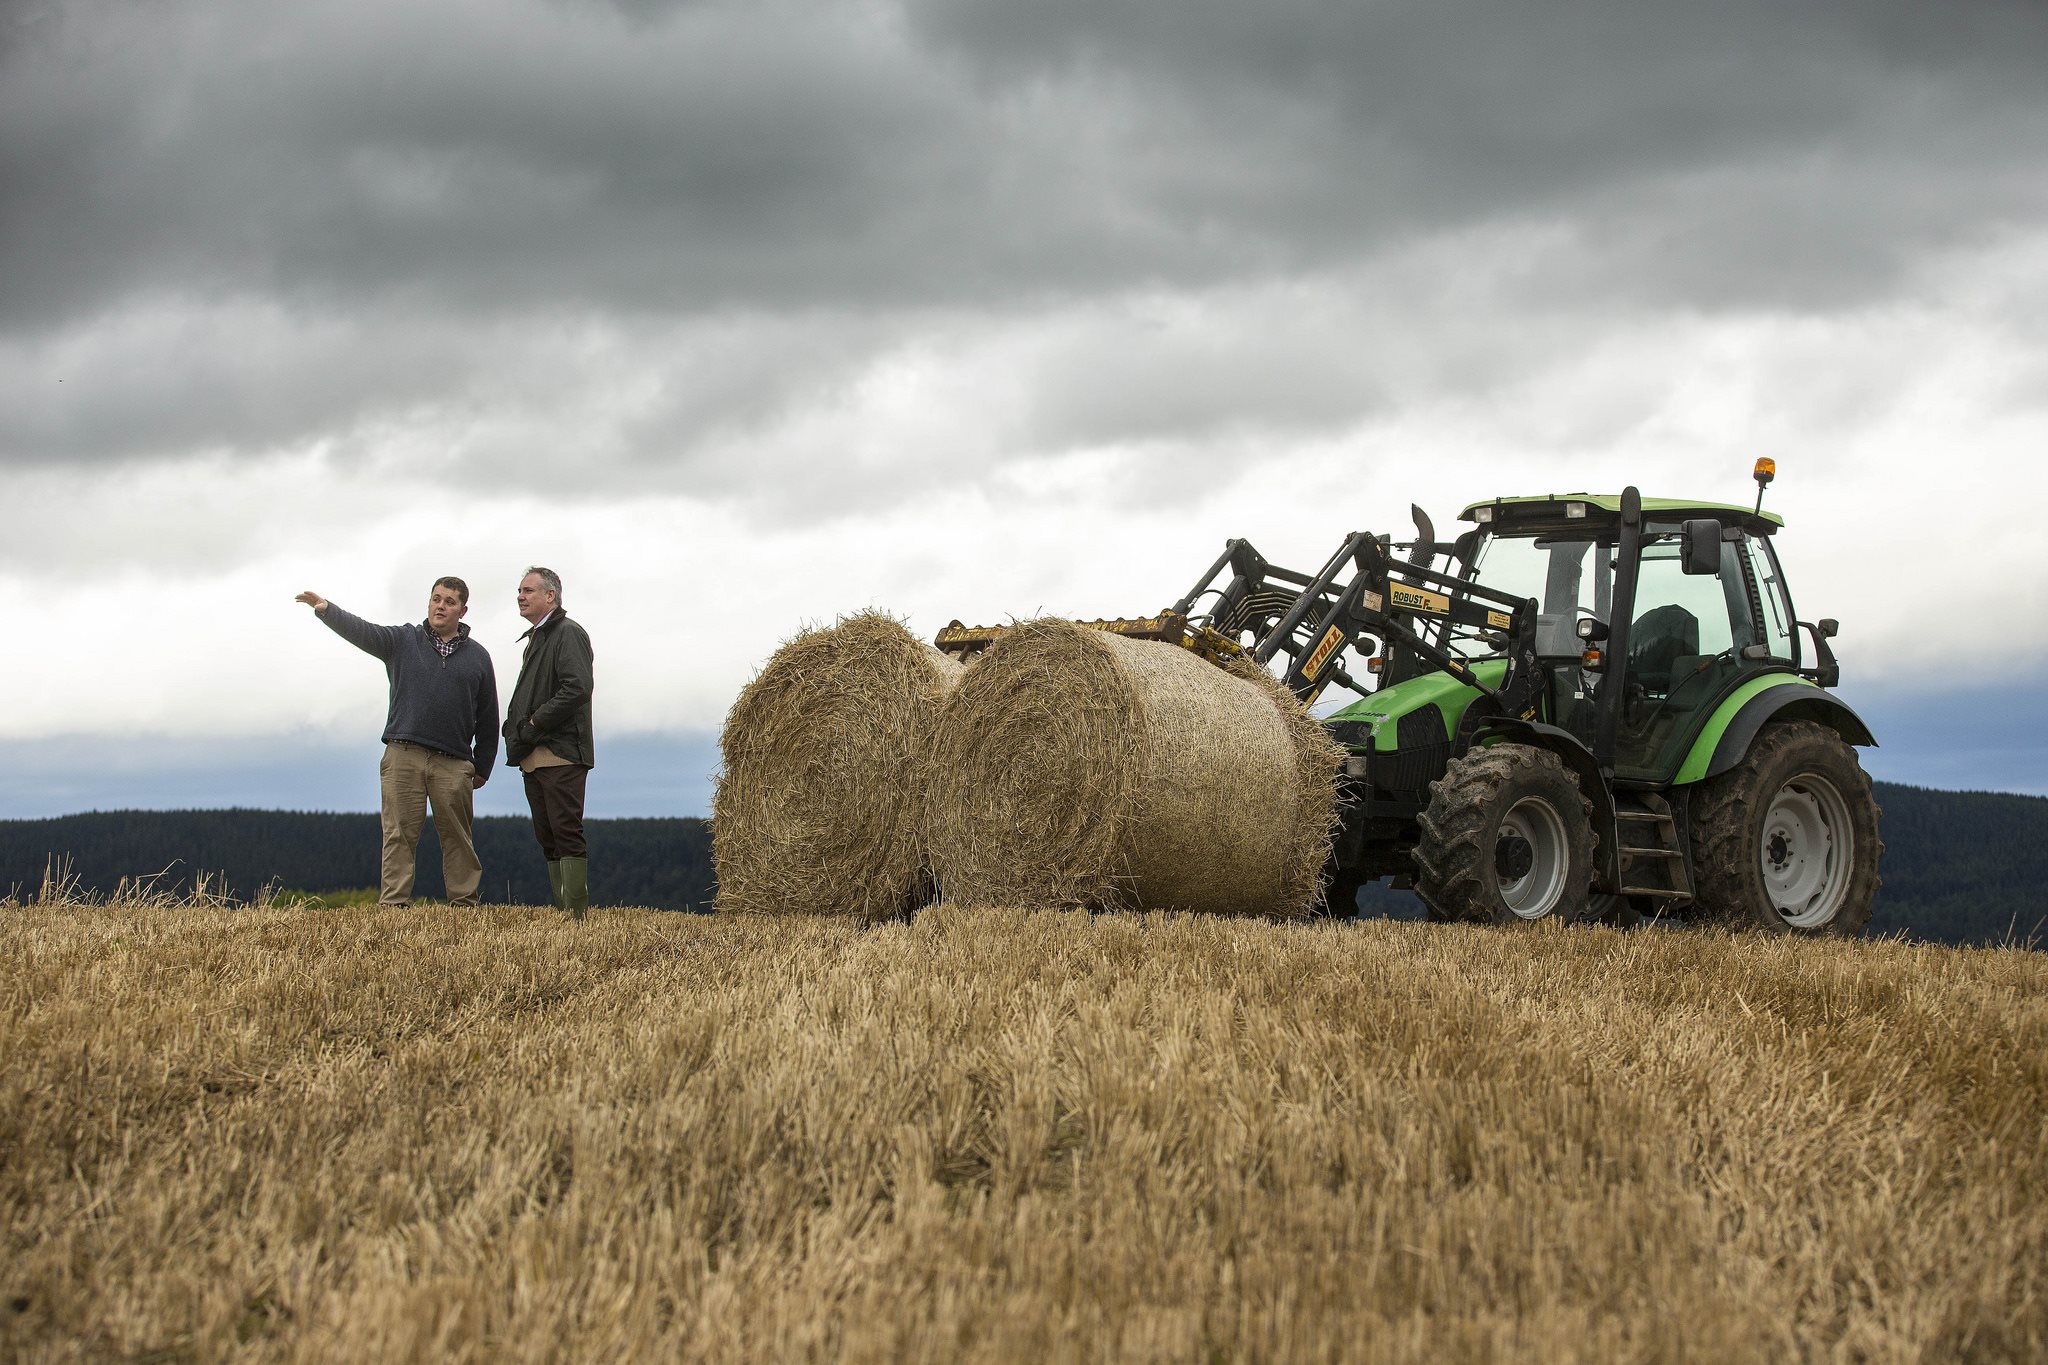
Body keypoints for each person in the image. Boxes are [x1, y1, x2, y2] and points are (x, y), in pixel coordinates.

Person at [294, 579, 498, 908]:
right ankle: (393, 905)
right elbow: (363, 631)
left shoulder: (478, 657)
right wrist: (327, 611)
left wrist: (482, 766)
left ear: (463, 610)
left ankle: (464, 906)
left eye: (449, 601)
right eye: (435, 599)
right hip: (404, 754)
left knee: (458, 838)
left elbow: (488, 716)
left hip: (454, 761)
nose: (440, 606)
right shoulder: (403, 640)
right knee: (399, 834)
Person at [503, 566, 595, 919]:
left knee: (566, 832)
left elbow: (577, 688)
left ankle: (575, 917)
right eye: (519, 591)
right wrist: (515, 726)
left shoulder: (568, 633)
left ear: (551, 596)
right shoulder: (538, 638)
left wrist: (533, 721)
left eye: (528, 590)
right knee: (548, 836)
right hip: (535, 754)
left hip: (560, 752)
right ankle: (563, 915)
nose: (520, 597)